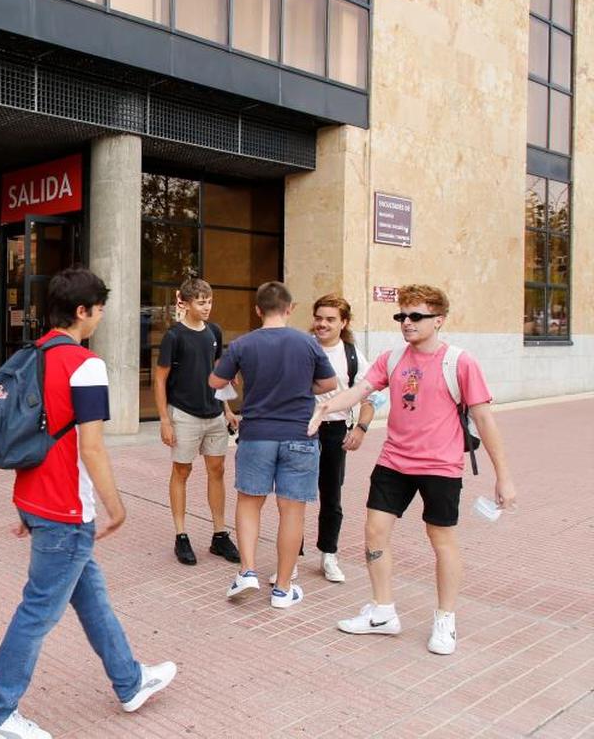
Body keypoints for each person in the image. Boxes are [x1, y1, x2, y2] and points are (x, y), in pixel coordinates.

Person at [0, 266, 176, 739]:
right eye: (100, 309)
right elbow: (92, 446)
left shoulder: (34, 354)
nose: (102, 317)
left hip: (37, 498)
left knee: (92, 599)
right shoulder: (85, 364)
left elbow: (29, 432)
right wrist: (117, 506)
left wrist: (26, 506)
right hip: (65, 509)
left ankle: (129, 682)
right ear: (82, 311)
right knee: (37, 613)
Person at [309, 284, 517, 655]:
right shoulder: (391, 359)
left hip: (440, 465)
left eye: (415, 316)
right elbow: (359, 391)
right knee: (374, 532)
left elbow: (484, 418)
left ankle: (445, 618)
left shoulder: (460, 361)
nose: (407, 322)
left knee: (442, 541)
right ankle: (383, 611)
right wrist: (326, 408)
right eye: (402, 316)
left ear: (439, 320)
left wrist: (503, 475)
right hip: (394, 461)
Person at [209, 281, 337, 609]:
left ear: (257, 310)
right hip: (300, 435)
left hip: (256, 434)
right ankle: (282, 589)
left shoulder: (243, 344)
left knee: (250, 504)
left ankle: (247, 571)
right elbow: (330, 383)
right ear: (290, 309)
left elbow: (215, 381)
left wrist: (236, 375)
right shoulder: (307, 344)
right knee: (292, 512)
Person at [153, 276, 240, 566]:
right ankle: (181, 535)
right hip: (184, 414)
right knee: (182, 471)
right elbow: (160, 378)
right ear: (186, 304)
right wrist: (164, 419)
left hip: (214, 414)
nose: (207, 307)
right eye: (201, 302)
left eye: (209, 301)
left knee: (217, 470)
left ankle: (219, 535)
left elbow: (219, 373)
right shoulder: (174, 336)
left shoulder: (214, 331)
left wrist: (227, 408)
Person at [306, 294, 379, 584]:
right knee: (294, 495)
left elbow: (371, 396)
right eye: (319, 317)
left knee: (331, 496)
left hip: (335, 429)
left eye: (330, 319)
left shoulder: (351, 355)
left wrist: (360, 428)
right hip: (302, 429)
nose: (322, 324)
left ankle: (328, 555)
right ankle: (292, 559)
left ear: (343, 322)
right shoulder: (303, 346)